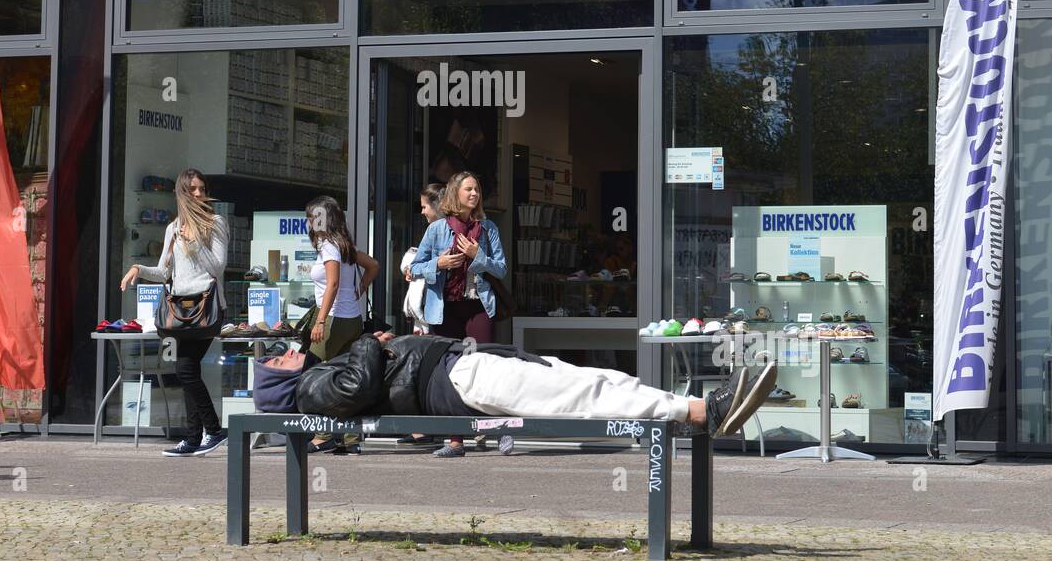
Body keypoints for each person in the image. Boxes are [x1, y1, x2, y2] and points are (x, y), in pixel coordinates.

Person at [250, 331, 777, 444]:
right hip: (457, 379)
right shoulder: (309, 388)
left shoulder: (313, 377)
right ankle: (703, 412)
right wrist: (370, 340)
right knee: (583, 394)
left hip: (460, 368)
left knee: (590, 382)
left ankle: (696, 409)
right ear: (279, 381)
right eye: (276, 360)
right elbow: (361, 384)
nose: (285, 352)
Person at [121, 168, 229, 457]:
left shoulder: (216, 223)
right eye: (192, 189)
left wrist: (193, 243)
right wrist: (138, 269)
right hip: (179, 310)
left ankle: (214, 431)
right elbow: (165, 272)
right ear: (181, 193)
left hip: (206, 308)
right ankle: (194, 438)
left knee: (184, 369)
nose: (198, 194)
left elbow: (217, 267)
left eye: (202, 189)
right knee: (187, 371)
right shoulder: (172, 228)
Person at [409, 171, 507, 456]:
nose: (474, 194)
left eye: (477, 189)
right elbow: (414, 268)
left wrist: (479, 256)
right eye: (468, 189)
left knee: (486, 366)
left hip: (478, 306)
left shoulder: (488, 229)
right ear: (456, 193)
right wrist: (438, 263)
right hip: (446, 308)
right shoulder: (438, 229)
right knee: (450, 371)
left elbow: (500, 269)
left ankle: (499, 429)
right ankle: (455, 440)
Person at [304, 195, 379, 454]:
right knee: (346, 378)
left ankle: (322, 435)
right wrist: (360, 289)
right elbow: (373, 265)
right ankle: (350, 438)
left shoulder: (328, 246)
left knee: (314, 375)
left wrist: (320, 321)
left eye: (310, 217)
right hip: (352, 319)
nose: (308, 223)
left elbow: (333, 284)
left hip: (334, 319)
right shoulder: (344, 245)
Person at [396, 184, 444, 445]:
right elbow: (417, 267)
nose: (422, 211)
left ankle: (432, 427)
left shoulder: (443, 231)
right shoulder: (431, 231)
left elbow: (429, 268)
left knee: (429, 371)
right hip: (423, 316)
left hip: (433, 313)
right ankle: (424, 426)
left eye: (425, 206)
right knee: (422, 371)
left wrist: (415, 266)